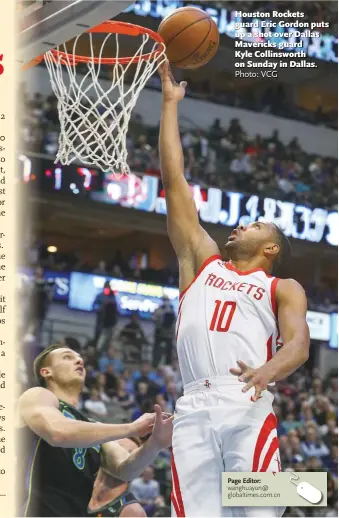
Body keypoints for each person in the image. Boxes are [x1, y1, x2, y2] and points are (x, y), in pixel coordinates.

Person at [158, 60, 310, 518]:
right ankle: (306, 494)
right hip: (193, 405)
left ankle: (307, 496)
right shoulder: (201, 262)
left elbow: (299, 344)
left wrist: (268, 372)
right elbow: (175, 183)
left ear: (270, 249)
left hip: (245, 399)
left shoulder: (282, 286)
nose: (242, 225)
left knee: (260, 510)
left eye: (256, 225)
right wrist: (169, 106)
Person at [17, 344, 173, 517]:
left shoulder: (90, 425)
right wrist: (131, 428)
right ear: (46, 372)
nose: (79, 360)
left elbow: (127, 470)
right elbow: (57, 432)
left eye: (79, 357)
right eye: (67, 357)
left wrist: (156, 443)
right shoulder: (37, 396)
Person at [87, 437, 146, 517]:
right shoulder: (81, 485)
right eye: (119, 447)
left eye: (129, 453)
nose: (121, 457)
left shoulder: (132, 511)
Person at [93, 281, 119, 352]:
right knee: (98, 337)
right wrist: (100, 307)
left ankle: (105, 351)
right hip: (101, 320)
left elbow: (116, 310)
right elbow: (94, 306)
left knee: (108, 339)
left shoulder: (113, 297)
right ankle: (97, 350)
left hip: (111, 322)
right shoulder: (100, 296)